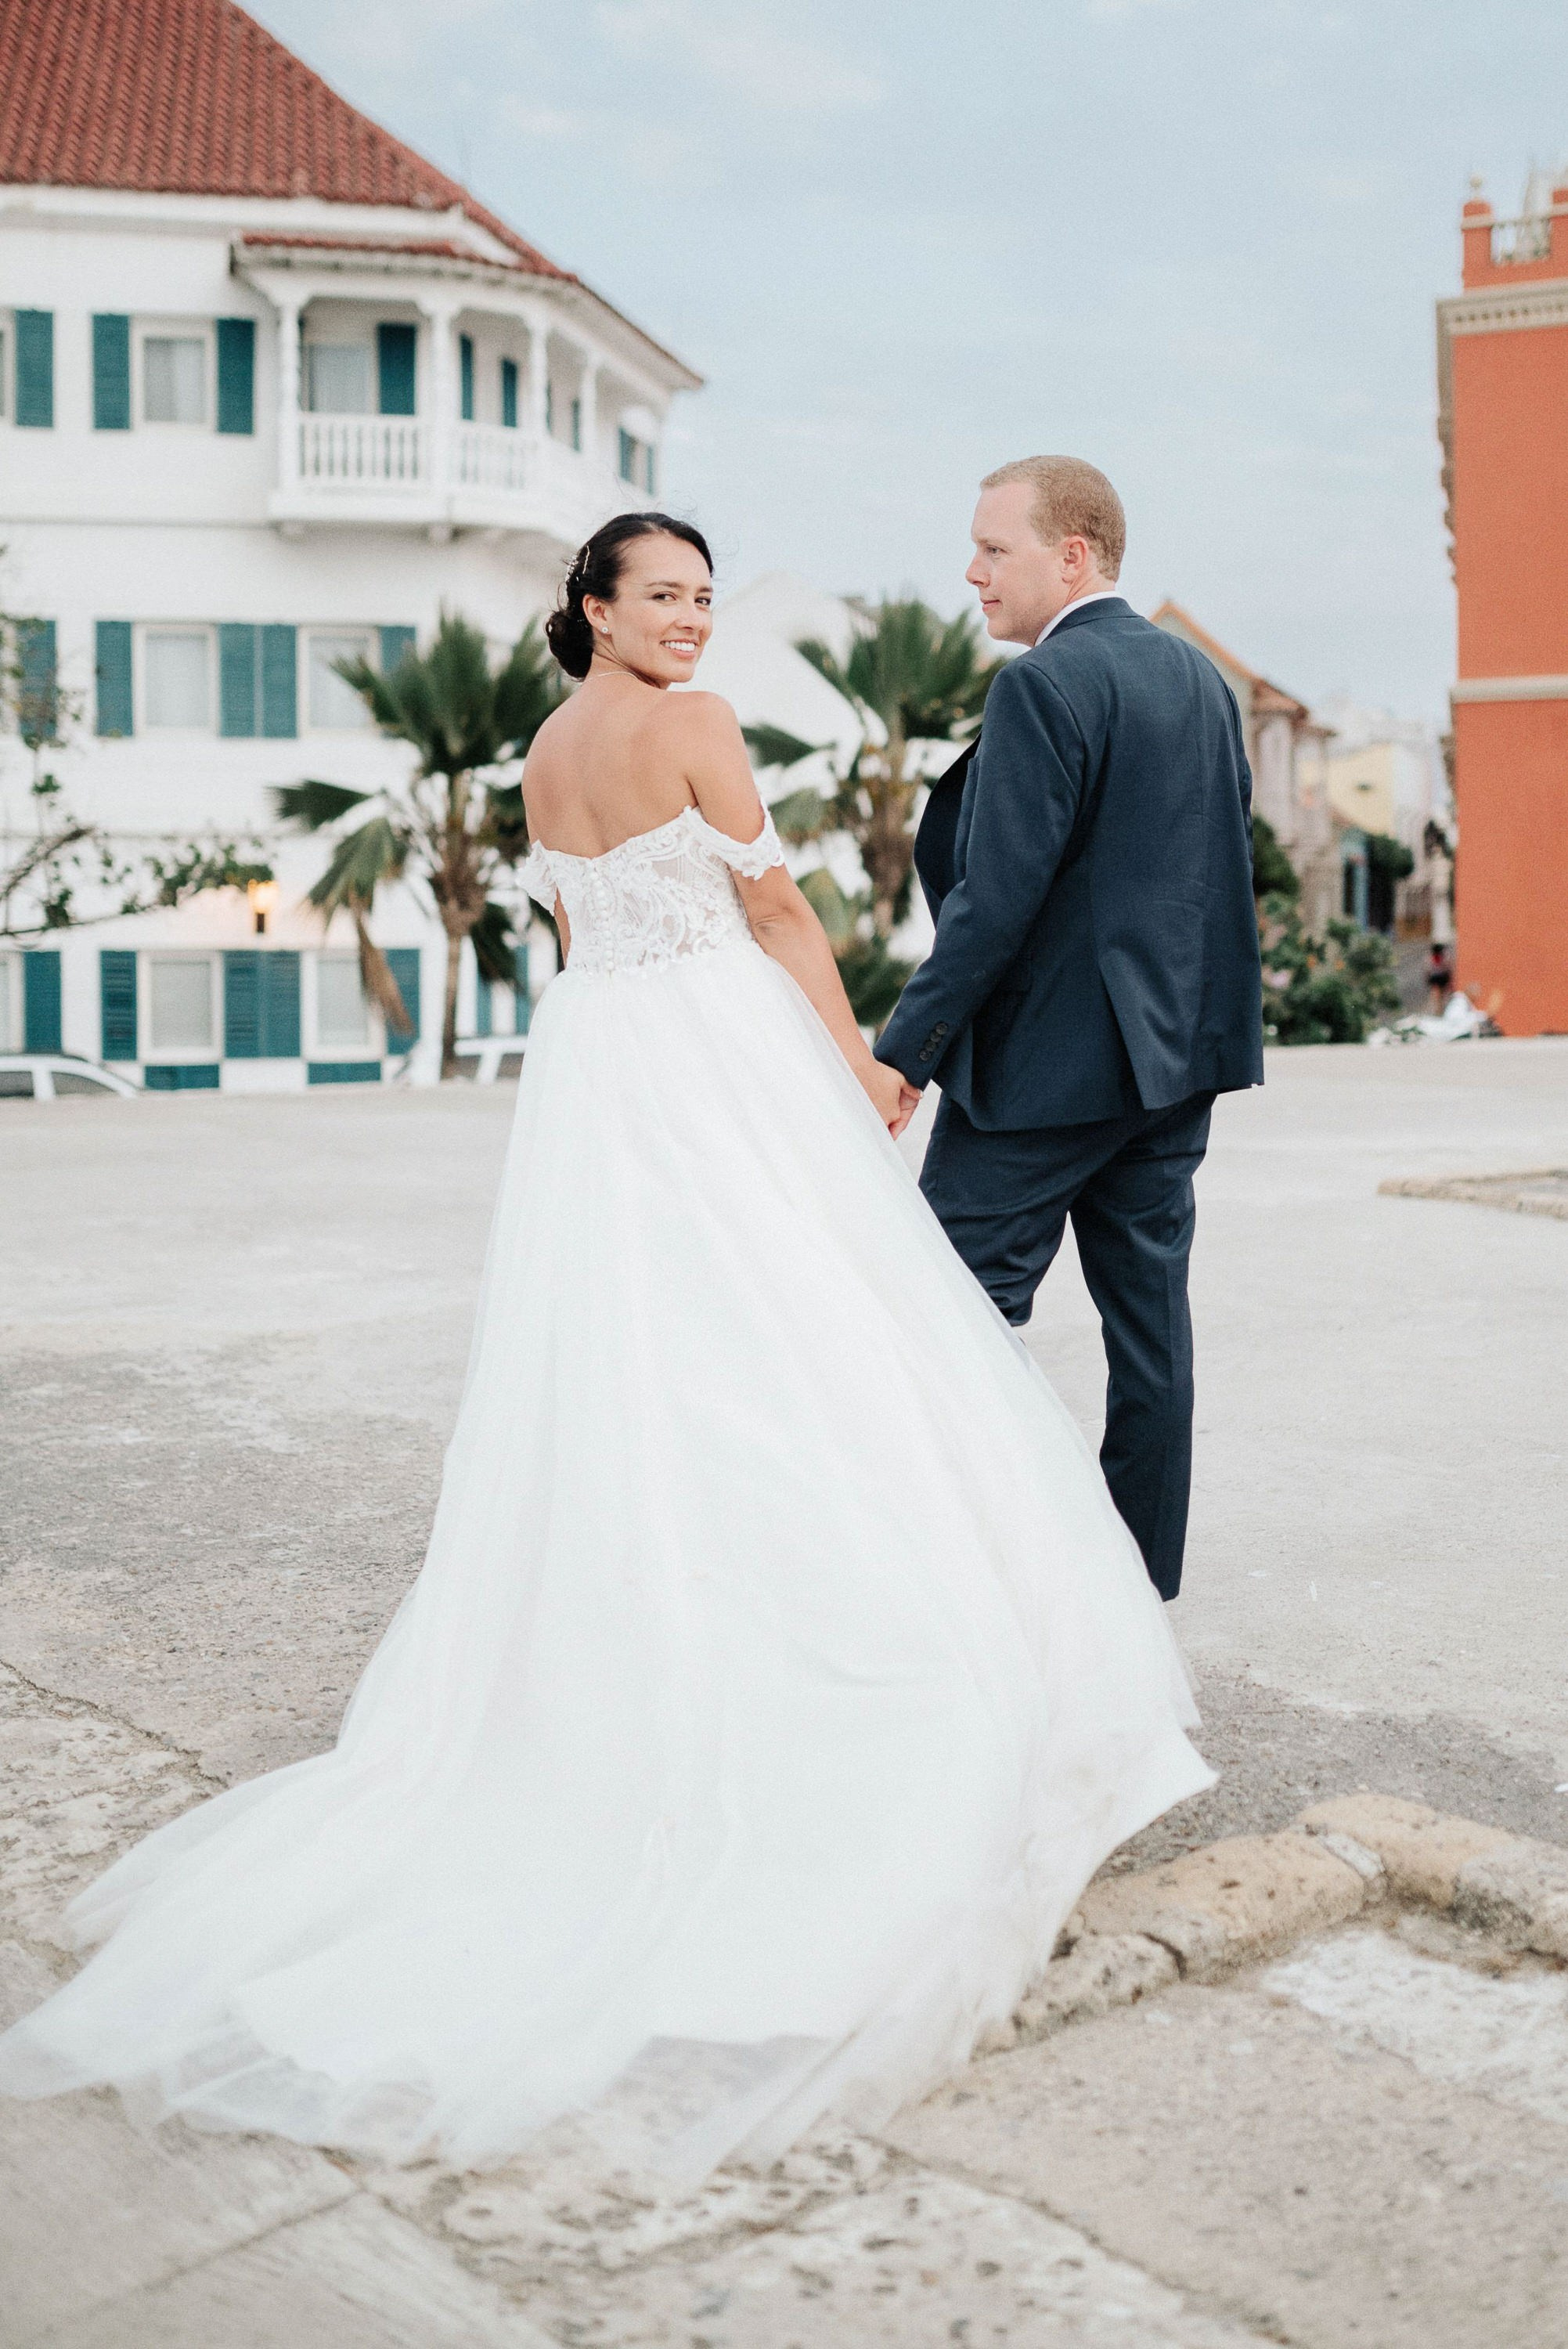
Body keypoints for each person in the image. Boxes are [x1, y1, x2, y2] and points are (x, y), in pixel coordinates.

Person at [0, 512, 1212, 2183]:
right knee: (807, 1345)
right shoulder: (693, 728)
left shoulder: (544, 753)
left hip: (599, 1071)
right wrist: (863, 1068)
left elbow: (583, 945)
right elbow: (779, 912)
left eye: (706, 600)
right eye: (661, 598)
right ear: (590, 609)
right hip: (712, 1054)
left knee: (638, 1362)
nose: (691, 624)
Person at [877, 457, 1264, 1603]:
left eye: (993, 549)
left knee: (944, 1314)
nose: (971, 570)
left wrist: (904, 1055)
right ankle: (1134, 1595)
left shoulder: (1043, 688)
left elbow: (996, 900)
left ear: (1072, 555)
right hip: (1169, 1066)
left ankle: (970, 1571)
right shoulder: (1198, 680)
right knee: (1148, 1333)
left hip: (1042, 1074)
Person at [1426, 939, 1454, 1016]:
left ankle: (1438, 1010)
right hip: (1442, 977)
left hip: (1435, 977)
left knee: (1437, 996)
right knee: (1443, 995)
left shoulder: (1431, 958)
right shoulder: (1444, 957)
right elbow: (1448, 967)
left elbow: (1427, 969)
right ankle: (1441, 1010)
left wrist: (1427, 978)